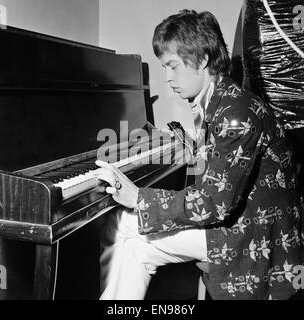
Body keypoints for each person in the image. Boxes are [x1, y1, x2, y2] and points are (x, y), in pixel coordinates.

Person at [95, 9, 304, 300]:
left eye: (173, 66)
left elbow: (216, 203)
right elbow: (225, 160)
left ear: (202, 60)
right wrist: (179, 144)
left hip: (255, 236)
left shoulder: (236, 113)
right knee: (135, 245)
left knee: (126, 223)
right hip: (244, 221)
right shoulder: (224, 101)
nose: (167, 78)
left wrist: (138, 197)